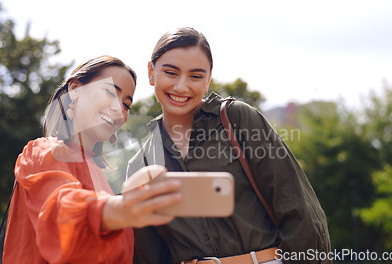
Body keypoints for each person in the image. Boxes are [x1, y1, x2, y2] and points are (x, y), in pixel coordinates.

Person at [126, 27, 331, 264]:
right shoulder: (140, 165)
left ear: (208, 79)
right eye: (171, 73)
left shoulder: (237, 119)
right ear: (151, 73)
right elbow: (149, 254)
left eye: (195, 76)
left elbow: (298, 209)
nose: (181, 87)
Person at [2, 55, 182, 264]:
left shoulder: (102, 177)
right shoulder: (42, 152)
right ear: (75, 89)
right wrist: (118, 209)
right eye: (109, 92)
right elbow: (61, 209)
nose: (119, 109)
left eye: (126, 105)